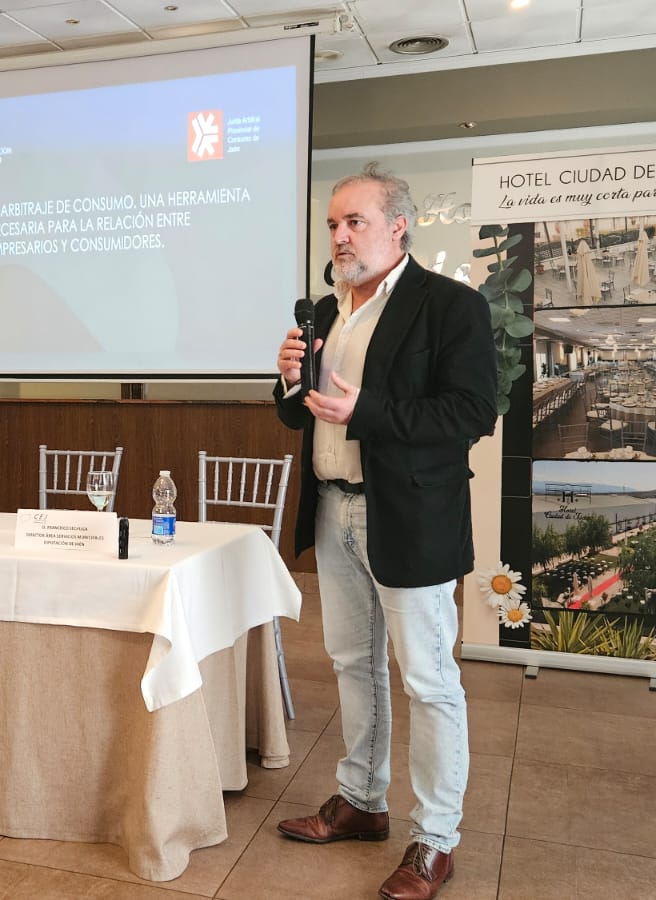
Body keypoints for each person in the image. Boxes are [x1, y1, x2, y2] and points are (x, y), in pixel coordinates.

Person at [273, 163, 497, 900]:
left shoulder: (450, 306)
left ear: (398, 227)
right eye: (333, 224)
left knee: (428, 681)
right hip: (333, 508)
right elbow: (303, 412)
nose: (338, 236)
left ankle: (435, 839)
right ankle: (363, 803)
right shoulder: (327, 313)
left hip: (409, 516)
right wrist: (286, 382)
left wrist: (367, 412)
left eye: (354, 222)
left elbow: (469, 415)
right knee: (350, 664)